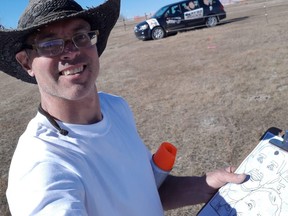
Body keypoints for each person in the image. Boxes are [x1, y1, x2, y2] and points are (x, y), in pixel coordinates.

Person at [0, 0, 246, 215]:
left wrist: (205, 184)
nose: (71, 52)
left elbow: (145, 191)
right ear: (26, 62)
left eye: (81, 36)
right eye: (51, 44)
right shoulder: (41, 167)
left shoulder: (115, 107)